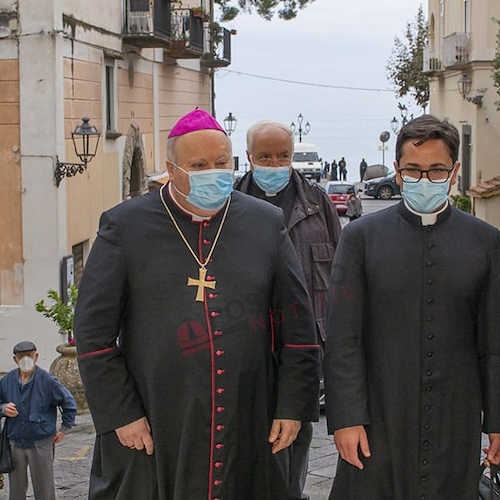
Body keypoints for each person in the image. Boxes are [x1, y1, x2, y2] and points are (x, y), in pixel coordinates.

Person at [74, 109, 320, 500]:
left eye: (222, 163)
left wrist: (292, 405)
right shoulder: (125, 226)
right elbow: (92, 332)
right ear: (172, 170)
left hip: (251, 414)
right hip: (156, 418)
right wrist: (121, 414)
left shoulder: (264, 221)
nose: (214, 172)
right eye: (199, 165)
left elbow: (299, 326)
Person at [324, 114, 500, 500]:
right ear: (398, 173)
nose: (425, 180)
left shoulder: (485, 241)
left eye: (437, 170)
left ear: (454, 172)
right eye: (414, 170)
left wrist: (497, 421)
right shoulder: (360, 238)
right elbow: (343, 338)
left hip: (455, 414)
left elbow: (494, 341)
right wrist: (346, 418)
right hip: (379, 412)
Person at [234, 120, 342, 500]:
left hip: (304, 345)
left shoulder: (319, 204)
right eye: (265, 156)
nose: (275, 163)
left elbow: (339, 275)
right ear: (249, 158)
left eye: (283, 155)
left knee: (297, 432)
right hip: (244, 342)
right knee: (242, 431)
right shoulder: (228, 203)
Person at [0, 341, 77, 500]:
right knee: (16, 489)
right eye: (21, 357)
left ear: (36, 357)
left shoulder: (48, 381)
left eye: (29, 356)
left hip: (41, 441)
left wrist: (64, 429)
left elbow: (68, 403)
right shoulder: (7, 380)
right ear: (15, 360)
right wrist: (3, 408)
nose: (25, 360)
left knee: (44, 488)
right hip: (15, 441)